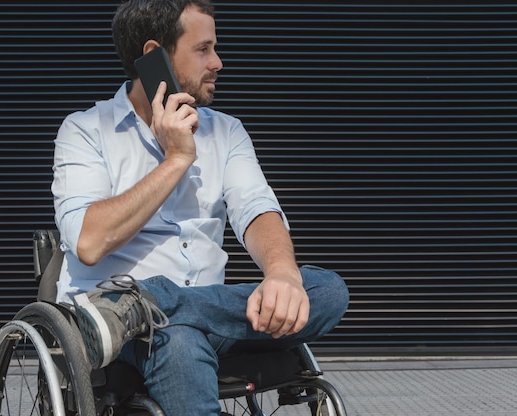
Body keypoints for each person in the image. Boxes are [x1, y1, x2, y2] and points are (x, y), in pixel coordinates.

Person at [51, 0, 349, 414]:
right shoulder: (85, 130)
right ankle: (144, 311)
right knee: (178, 338)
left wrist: (281, 274)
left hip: (211, 314)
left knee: (326, 289)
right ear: (154, 55)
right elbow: (87, 242)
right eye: (203, 49)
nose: (218, 63)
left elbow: (257, 209)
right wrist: (176, 159)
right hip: (121, 338)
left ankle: (150, 301)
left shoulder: (226, 131)